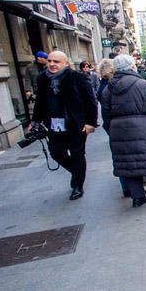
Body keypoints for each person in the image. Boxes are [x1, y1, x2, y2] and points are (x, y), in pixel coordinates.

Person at [100, 55, 146, 208]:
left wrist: (113, 129)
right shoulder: (142, 84)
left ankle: (137, 197)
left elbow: (105, 113)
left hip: (119, 130)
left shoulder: (109, 89)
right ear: (132, 67)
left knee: (129, 164)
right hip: (145, 128)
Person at [30, 51, 97, 200]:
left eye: (57, 61)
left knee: (77, 154)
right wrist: (35, 120)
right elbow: (40, 101)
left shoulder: (77, 77)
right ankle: (76, 172)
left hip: (75, 124)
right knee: (56, 153)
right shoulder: (43, 78)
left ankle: (78, 185)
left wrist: (91, 123)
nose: (52, 64)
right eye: (50, 61)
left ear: (66, 63)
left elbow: (90, 100)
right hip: (54, 124)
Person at [96, 58, 131, 198]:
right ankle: (133, 187)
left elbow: (105, 112)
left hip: (113, 126)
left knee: (120, 157)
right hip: (126, 126)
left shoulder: (102, 87)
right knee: (130, 156)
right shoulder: (115, 86)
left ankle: (127, 188)